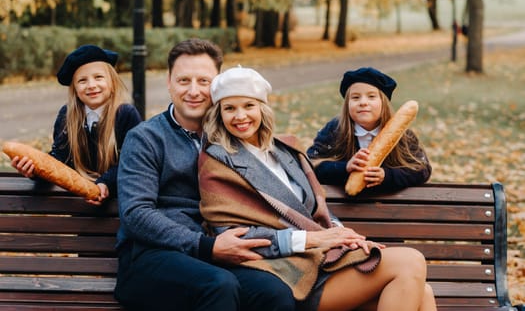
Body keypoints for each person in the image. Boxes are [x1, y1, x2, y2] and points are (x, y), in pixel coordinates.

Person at [198, 66, 437, 311]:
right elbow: (232, 235)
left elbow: (315, 207)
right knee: (411, 262)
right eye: (230, 108)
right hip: (286, 271)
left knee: (422, 292)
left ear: (262, 108)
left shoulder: (284, 150)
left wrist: (344, 234)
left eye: (248, 106)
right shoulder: (218, 162)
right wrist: (313, 239)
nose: (240, 116)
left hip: (325, 258)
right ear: (219, 114)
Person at [114, 38, 295, 311]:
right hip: (151, 256)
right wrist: (205, 245)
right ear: (169, 82)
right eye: (184, 80)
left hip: (214, 254)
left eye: (204, 81)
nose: (194, 91)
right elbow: (136, 214)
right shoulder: (146, 138)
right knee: (218, 285)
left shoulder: (233, 136)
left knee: (275, 293)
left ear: (219, 85)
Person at [10, 44, 141, 205]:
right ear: (75, 89)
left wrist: (105, 183)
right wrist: (35, 171)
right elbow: (59, 161)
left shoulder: (125, 114)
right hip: (83, 203)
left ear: (112, 81)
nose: (91, 85)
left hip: (122, 202)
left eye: (98, 77)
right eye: (82, 80)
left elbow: (133, 162)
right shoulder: (67, 116)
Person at [307, 67, 431, 192]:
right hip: (342, 205)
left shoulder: (402, 135)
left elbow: (422, 170)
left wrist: (387, 176)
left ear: (384, 103)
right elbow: (310, 165)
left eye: (371, 96)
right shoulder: (334, 130)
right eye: (355, 97)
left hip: (390, 207)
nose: (363, 102)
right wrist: (345, 168)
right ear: (347, 104)